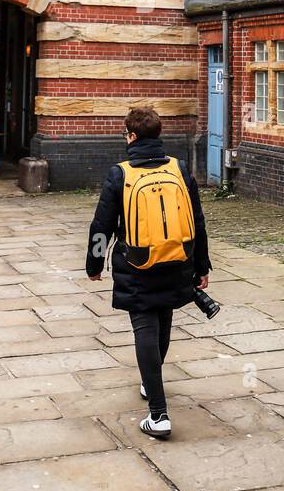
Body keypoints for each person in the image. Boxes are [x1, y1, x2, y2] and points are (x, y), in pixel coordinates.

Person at [85, 105, 214, 440]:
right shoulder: (179, 168)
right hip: (177, 260)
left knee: (144, 327)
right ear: (158, 134)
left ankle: (158, 415)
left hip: (137, 264)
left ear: (131, 136)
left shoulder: (120, 174)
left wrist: (94, 266)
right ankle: (150, 381)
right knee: (164, 319)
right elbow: (197, 221)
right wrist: (201, 266)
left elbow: (101, 226)